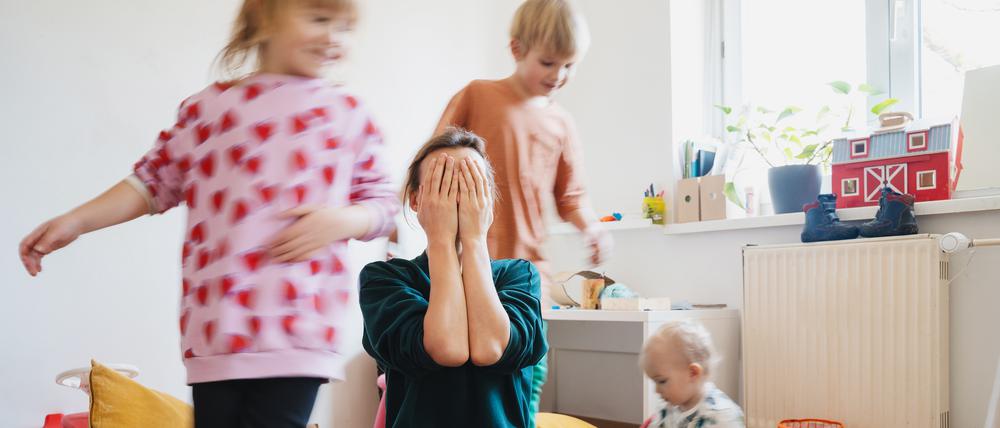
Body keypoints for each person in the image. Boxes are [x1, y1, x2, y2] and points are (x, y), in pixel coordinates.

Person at [17, 1, 398, 426]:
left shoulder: (348, 115)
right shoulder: (209, 110)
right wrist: (75, 221)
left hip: (298, 333)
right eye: (319, 19)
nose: (333, 37)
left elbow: (384, 204)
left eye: (344, 27)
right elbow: (150, 184)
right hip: (217, 334)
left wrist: (342, 221)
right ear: (265, 17)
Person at [361, 128, 547, 427]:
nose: (457, 196)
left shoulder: (519, 275)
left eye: (472, 184)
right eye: (443, 183)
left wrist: (474, 240)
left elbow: (490, 348)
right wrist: (441, 241)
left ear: (487, 200)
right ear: (416, 200)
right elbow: (448, 348)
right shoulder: (384, 279)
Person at [640, 321, 745, 428]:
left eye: (662, 381)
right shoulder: (667, 407)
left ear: (693, 373)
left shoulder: (722, 417)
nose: (656, 390)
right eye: (655, 382)